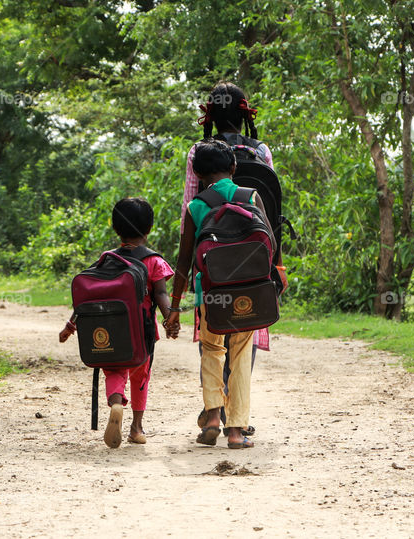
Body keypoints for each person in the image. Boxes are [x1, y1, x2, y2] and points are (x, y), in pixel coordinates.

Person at [165, 139, 283, 449]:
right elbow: (270, 241)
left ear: (198, 174)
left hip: (210, 295)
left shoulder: (196, 206)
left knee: (211, 349)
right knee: (241, 354)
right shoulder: (251, 195)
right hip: (248, 292)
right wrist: (272, 283)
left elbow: (184, 260)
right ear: (233, 168)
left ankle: (214, 417)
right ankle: (236, 431)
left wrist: (175, 307)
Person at [182, 82, 273, 435]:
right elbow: (270, 212)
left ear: (210, 114)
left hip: (211, 264)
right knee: (243, 339)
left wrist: (190, 267)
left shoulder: (197, 152)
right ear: (244, 112)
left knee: (211, 341)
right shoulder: (260, 150)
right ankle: (239, 421)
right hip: (251, 264)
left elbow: (190, 202)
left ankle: (214, 413)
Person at [59, 198, 174, 448]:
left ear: (115, 228)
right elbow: (161, 294)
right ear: (149, 228)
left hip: (110, 332)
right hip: (142, 332)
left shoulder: (106, 259)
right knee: (140, 376)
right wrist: (170, 318)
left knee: (115, 370)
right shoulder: (153, 261)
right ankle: (136, 427)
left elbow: (86, 298)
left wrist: (70, 327)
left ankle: (114, 403)